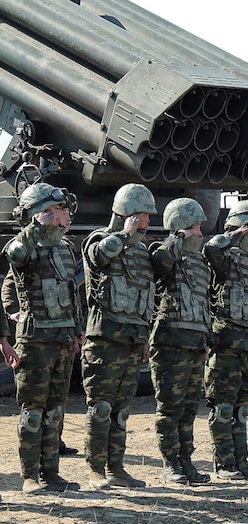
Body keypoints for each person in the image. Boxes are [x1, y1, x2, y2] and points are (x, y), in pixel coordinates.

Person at [5, 183, 80, 493]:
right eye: (54, 212)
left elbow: (72, 293)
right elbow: (15, 258)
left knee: (54, 412)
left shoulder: (64, 248)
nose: (63, 216)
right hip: (35, 342)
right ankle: (30, 477)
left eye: (61, 211)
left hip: (63, 339)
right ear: (38, 215)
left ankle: (52, 474)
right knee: (33, 412)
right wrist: (14, 313)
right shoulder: (24, 246)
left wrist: (76, 332)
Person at [81, 183, 157, 490]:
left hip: (131, 342)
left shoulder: (140, 252)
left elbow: (145, 298)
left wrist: (144, 339)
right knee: (100, 408)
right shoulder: (101, 239)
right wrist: (124, 234)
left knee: (120, 412)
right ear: (131, 215)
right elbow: (100, 257)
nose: (148, 224)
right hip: (104, 343)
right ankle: (95, 470)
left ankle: (116, 468)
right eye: (144, 217)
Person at [206, 200, 248, 480]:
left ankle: (241, 461)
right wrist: (232, 235)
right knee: (222, 407)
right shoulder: (227, 258)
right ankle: (224, 464)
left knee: (241, 409)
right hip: (226, 345)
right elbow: (210, 249)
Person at [148, 198, 212, 485]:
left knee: (188, 410)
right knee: (170, 408)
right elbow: (160, 263)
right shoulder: (165, 254)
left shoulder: (199, 263)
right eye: (194, 227)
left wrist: (205, 340)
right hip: (170, 345)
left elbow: (204, 304)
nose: (200, 233)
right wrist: (175, 238)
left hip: (195, 345)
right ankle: (170, 464)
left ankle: (186, 462)